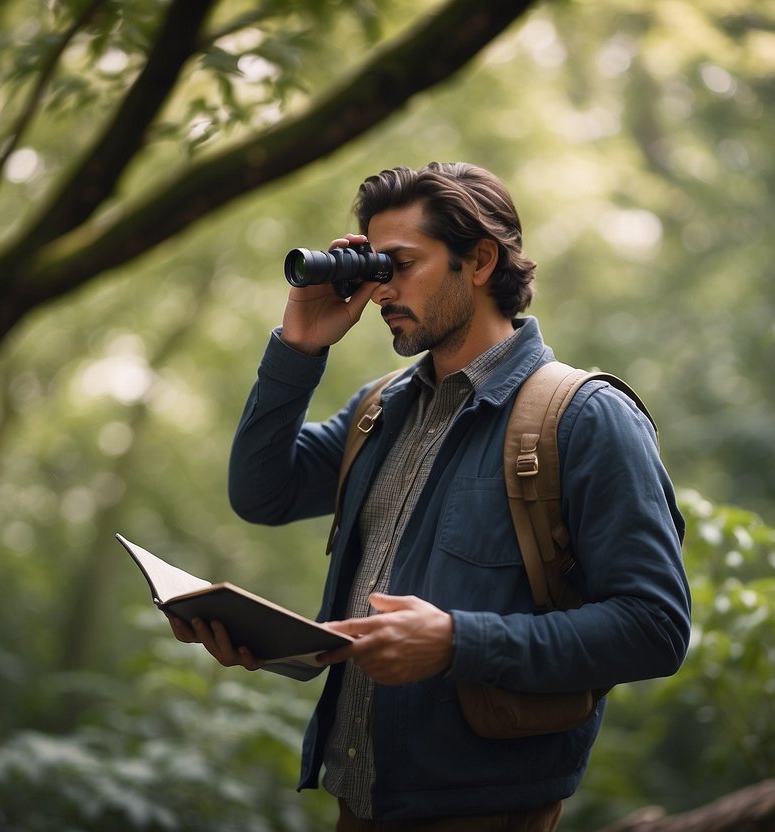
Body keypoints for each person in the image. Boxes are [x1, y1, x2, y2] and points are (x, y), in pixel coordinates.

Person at [169, 162, 692, 830]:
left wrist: (456, 641)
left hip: (485, 810)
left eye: (400, 264)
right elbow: (261, 493)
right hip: (357, 795)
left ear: (477, 261)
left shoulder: (583, 417)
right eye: (373, 267)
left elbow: (654, 627)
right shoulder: (380, 409)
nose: (379, 288)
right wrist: (298, 345)